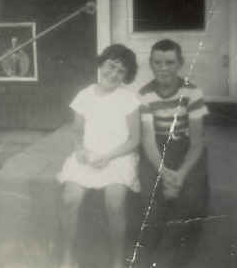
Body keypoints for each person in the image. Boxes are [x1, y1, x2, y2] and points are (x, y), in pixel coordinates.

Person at [56, 44, 141, 268]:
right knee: (69, 198)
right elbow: (77, 131)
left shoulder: (128, 98)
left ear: (126, 76)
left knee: (114, 201)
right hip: (88, 154)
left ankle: (116, 260)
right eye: (110, 66)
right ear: (101, 64)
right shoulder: (84, 95)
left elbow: (134, 139)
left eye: (120, 71)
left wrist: (110, 156)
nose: (113, 74)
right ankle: (68, 255)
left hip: (119, 156)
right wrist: (79, 150)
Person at [139, 39, 209, 268]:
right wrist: (163, 171)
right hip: (157, 147)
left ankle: (181, 257)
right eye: (157, 62)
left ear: (180, 64)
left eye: (170, 62)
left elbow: (198, 142)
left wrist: (180, 174)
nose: (163, 67)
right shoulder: (145, 94)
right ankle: (151, 252)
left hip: (185, 146)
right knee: (148, 192)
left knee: (193, 195)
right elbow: (148, 139)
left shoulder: (192, 91)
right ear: (151, 64)